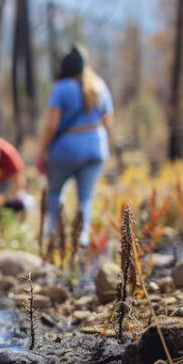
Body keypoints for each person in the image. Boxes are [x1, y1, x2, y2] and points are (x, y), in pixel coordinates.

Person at [37, 44, 114, 246]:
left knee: (55, 191)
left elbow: (52, 124)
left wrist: (43, 151)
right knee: (86, 196)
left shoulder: (61, 88)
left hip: (65, 149)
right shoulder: (99, 86)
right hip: (96, 147)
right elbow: (108, 122)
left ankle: (54, 232)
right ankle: (83, 236)